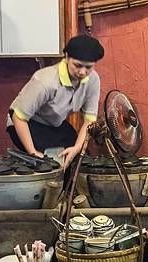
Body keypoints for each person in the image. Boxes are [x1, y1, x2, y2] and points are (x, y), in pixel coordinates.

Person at [6, 34, 104, 168]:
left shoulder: (93, 80)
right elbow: (18, 117)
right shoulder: (45, 81)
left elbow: (89, 121)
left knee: (81, 159)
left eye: (88, 67)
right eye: (78, 65)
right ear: (67, 57)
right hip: (26, 123)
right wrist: (33, 153)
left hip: (54, 124)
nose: (82, 72)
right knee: (51, 164)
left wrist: (77, 148)